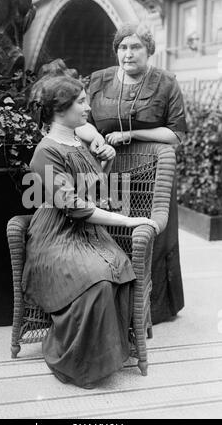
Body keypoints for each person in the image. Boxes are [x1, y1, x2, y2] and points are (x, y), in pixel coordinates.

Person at [21, 75, 159, 389]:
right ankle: (75, 358)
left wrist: (105, 164)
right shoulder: (46, 152)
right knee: (96, 280)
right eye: (81, 101)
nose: (87, 107)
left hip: (87, 233)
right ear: (60, 109)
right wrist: (127, 221)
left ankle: (108, 354)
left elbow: (92, 191)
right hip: (56, 236)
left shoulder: (77, 142)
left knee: (119, 270)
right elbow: (73, 206)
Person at [88, 22, 187, 325]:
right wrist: (94, 137)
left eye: (135, 47)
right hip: (108, 170)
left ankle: (153, 310)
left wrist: (131, 134)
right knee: (111, 235)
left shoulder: (166, 82)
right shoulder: (97, 80)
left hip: (154, 173)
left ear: (149, 50)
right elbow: (82, 117)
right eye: (122, 47)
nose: (128, 54)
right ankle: (114, 305)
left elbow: (176, 135)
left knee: (151, 238)